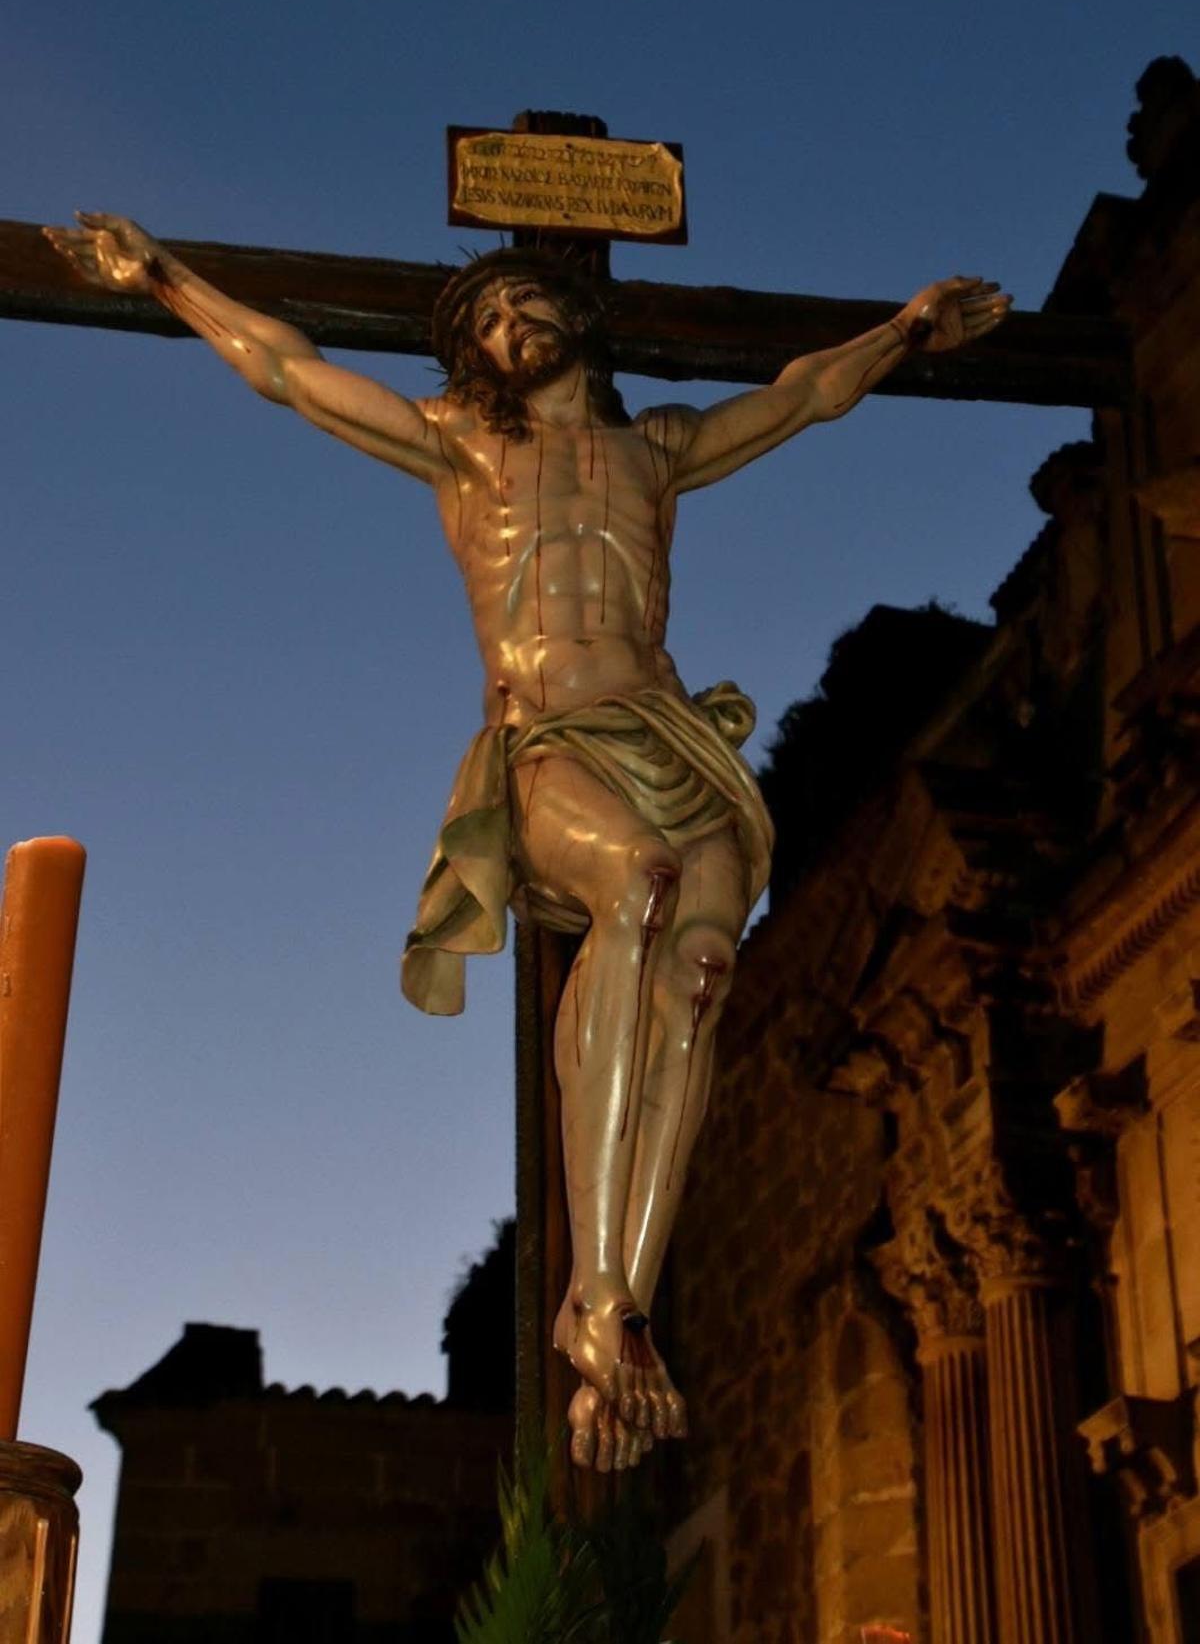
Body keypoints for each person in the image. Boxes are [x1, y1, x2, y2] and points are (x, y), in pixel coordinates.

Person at [46, 213, 1010, 1471]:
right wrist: (163, 277)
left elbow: (802, 398)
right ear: (470, 359)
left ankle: (622, 1294)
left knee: (706, 969)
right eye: (486, 323)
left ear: (574, 327)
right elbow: (289, 370)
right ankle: (593, 1286)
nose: (510, 329)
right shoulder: (462, 454)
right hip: (549, 739)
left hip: (666, 731)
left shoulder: (655, 451)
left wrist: (909, 328)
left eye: (524, 308)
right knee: (645, 890)